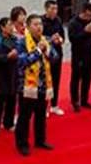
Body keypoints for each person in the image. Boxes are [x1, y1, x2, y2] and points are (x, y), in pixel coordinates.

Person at [15, 14, 58, 156]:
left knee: (40, 115)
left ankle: (40, 140)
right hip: (27, 86)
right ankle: (22, 143)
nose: (39, 27)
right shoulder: (21, 42)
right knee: (25, 116)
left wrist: (48, 51)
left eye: (40, 24)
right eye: (35, 24)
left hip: (43, 85)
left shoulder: (45, 40)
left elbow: (55, 58)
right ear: (28, 27)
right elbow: (22, 61)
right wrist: (38, 51)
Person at [68, 2, 91, 111]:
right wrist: (85, 31)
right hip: (78, 55)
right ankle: (74, 101)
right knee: (76, 79)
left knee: (88, 78)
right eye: (87, 15)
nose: (89, 18)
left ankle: (84, 99)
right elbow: (73, 39)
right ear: (82, 13)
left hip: (90, 54)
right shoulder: (73, 23)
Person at [41, 0, 65, 115]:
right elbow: (38, 39)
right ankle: (44, 107)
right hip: (45, 55)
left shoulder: (58, 20)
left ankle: (54, 105)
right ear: (46, 9)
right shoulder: (40, 21)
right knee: (45, 81)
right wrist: (51, 39)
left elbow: (63, 37)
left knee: (56, 79)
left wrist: (59, 40)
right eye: (52, 9)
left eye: (56, 9)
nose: (54, 11)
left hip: (57, 54)